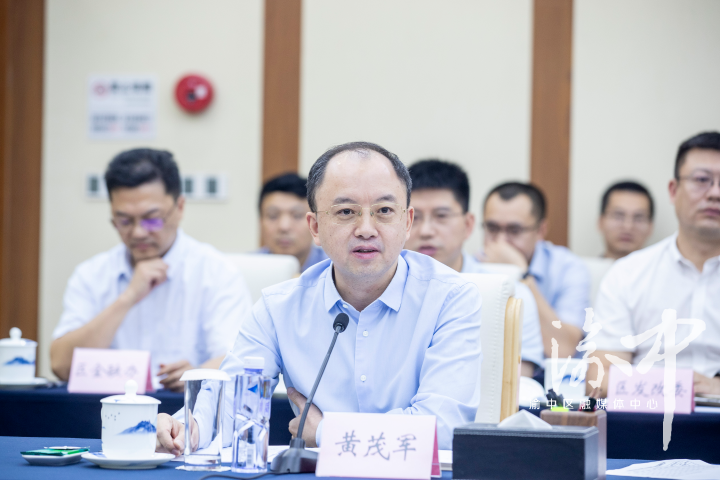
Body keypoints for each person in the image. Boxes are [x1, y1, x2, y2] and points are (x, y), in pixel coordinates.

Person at [155, 141, 482, 454]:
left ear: (406, 222)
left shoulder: (450, 299)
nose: (366, 228)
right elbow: (230, 406)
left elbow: (443, 428)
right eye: (346, 212)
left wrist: (327, 433)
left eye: (384, 210)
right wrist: (185, 429)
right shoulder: (278, 308)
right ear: (314, 227)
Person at [50, 148, 252, 391]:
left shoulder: (216, 273)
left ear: (180, 207)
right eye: (124, 221)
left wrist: (198, 374)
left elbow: (237, 361)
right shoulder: (91, 275)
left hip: (185, 410)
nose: (138, 232)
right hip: (106, 409)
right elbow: (61, 365)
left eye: (151, 219)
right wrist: (128, 297)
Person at [588, 131, 720, 397]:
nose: (715, 193)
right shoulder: (627, 274)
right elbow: (600, 380)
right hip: (647, 415)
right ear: (673, 190)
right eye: (702, 180)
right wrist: (679, 387)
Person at [405, 159, 543, 375]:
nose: (426, 231)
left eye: (441, 216)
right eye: (416, 217)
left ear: (468, 225)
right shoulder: (376, 289)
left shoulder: (511, 295)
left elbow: (517, 384)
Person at [480, 182, 590, 358]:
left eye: (514, 230)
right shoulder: (473, 267)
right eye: (492, 228)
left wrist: (522, 275)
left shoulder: (568, 268)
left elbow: (563, 349)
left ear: (541, 230)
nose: (501, 242)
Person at [258, 173, 327, 272]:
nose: (284, 227)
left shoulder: (335, 269)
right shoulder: (243, 269)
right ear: (260, 221)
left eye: (297, 215)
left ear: (315, 223)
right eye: (273, 216)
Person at [598, 181, 654, 260]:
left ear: (650, 227)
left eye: (639, 218)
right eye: (618, 216)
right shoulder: (585, 268)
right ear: (600, 222)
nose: (628, 226)